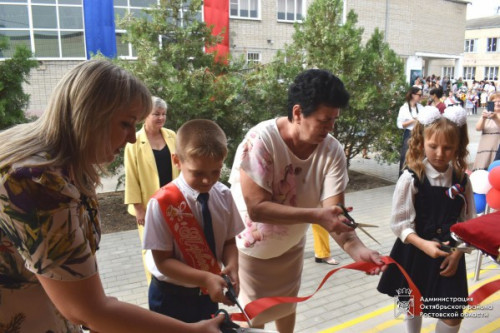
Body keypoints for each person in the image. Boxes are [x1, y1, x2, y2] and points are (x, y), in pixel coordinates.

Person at [0, 60, 224, 333]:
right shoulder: (39, 183)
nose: (132, 138)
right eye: (126, 124)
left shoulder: (64, 167)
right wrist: (193, 331)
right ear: (91, 115)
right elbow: (87, 310)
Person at [229, 69, 385, 333]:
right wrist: (316, 215)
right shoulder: (261, 141)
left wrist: (359, 252)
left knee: (287, 306)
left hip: (290, 247)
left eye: (334, 120)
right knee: (254, 319)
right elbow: (256, 209)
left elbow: (334, 217)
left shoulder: (332, 150)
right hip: (251, 253)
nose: (331, 128)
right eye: (324, 120)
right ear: (298, 112)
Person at [377, 105, 475, 333]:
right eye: (433, 146)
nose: (440, 153)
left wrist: (459, 253)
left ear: (458, 147)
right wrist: (422, 244)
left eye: (448, 148)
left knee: (452, 315)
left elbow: (469, 223)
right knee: (412, 306)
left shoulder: (462, 180)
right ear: (422, 143)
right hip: (413, 253)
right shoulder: (411, 178)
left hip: (449, 257)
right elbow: (399, 224)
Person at [143, 119, 244, 322]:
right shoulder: (163, 203)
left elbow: (229, 242)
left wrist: (232, 265)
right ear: (177, 161)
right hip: (171, 298)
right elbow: (163, 262)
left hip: (208, 293)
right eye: (197, 173)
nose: (208, 181)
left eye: (215, 171)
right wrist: (205, 278)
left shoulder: (223, 195)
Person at [124, 96, 179, 282]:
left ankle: (177, 280)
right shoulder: (134, 141)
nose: (161, 118)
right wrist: (139, 208)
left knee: (176, 243)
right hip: (149, 205)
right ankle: (154, 285)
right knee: (152, 248)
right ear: (146, 115)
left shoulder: (172, 135)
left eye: (163, 114)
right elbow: (131, 176)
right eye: (156, 114)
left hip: (173, 201)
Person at [397, 86, 423, 175]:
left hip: (419, 133)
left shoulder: (420, 107)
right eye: (419, 95)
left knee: (418, 157)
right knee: (405, 157)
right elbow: (400, 124)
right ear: (413, 95)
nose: (421, 97)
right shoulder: (404, 108)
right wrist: (413, 120)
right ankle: (403, 179)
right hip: (409, 134)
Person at [472, 92, 500, 171]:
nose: (497, 103)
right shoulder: (487, 113)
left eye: (499, 101)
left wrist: (495, 118)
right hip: (485, 147)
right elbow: (478, 128)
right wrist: (483, 118)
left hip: (497, 147)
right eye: (495, 101)